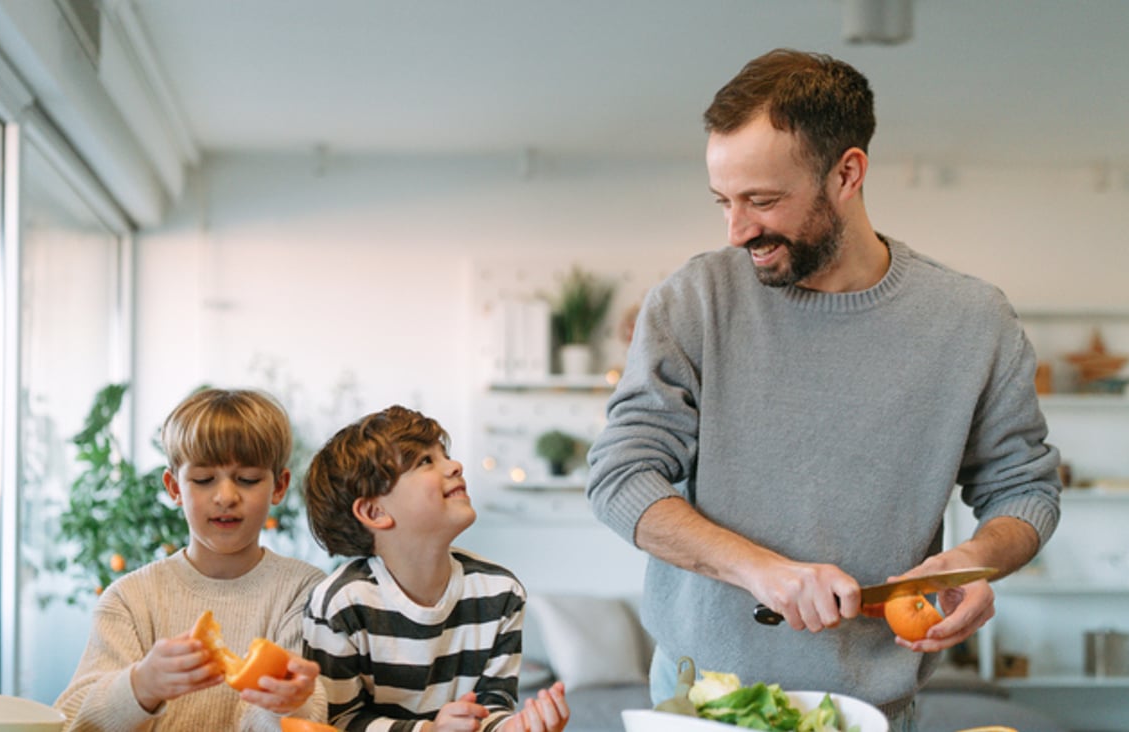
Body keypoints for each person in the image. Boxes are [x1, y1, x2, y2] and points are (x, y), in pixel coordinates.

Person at [585, 48, 1061, 729]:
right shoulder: (693, 301)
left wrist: (973, 566)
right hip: (700, 699)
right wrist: (761, 571)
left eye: (764, 200)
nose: (737, 229)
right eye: (724, 201)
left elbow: (1027, 490)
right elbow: (621, 479)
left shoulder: (973, 323)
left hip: (875, 707)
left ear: (848, 173)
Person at [55, 388, 328, 730]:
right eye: (203, 480)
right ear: (173, 488)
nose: (226, 497)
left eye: (247, 479)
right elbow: (70, 721)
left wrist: (289, 701)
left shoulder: (306, 593)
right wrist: (141, 685)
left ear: (279, 486)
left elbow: (310, 719)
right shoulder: (129, 600)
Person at [301, 405, 570, 732]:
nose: (455, 465)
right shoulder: (340, 604)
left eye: (444, 454)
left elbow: (493, 708)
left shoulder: (501, 592)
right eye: (426, 461)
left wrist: (519, 728)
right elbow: (336, 722)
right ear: (374, 512)